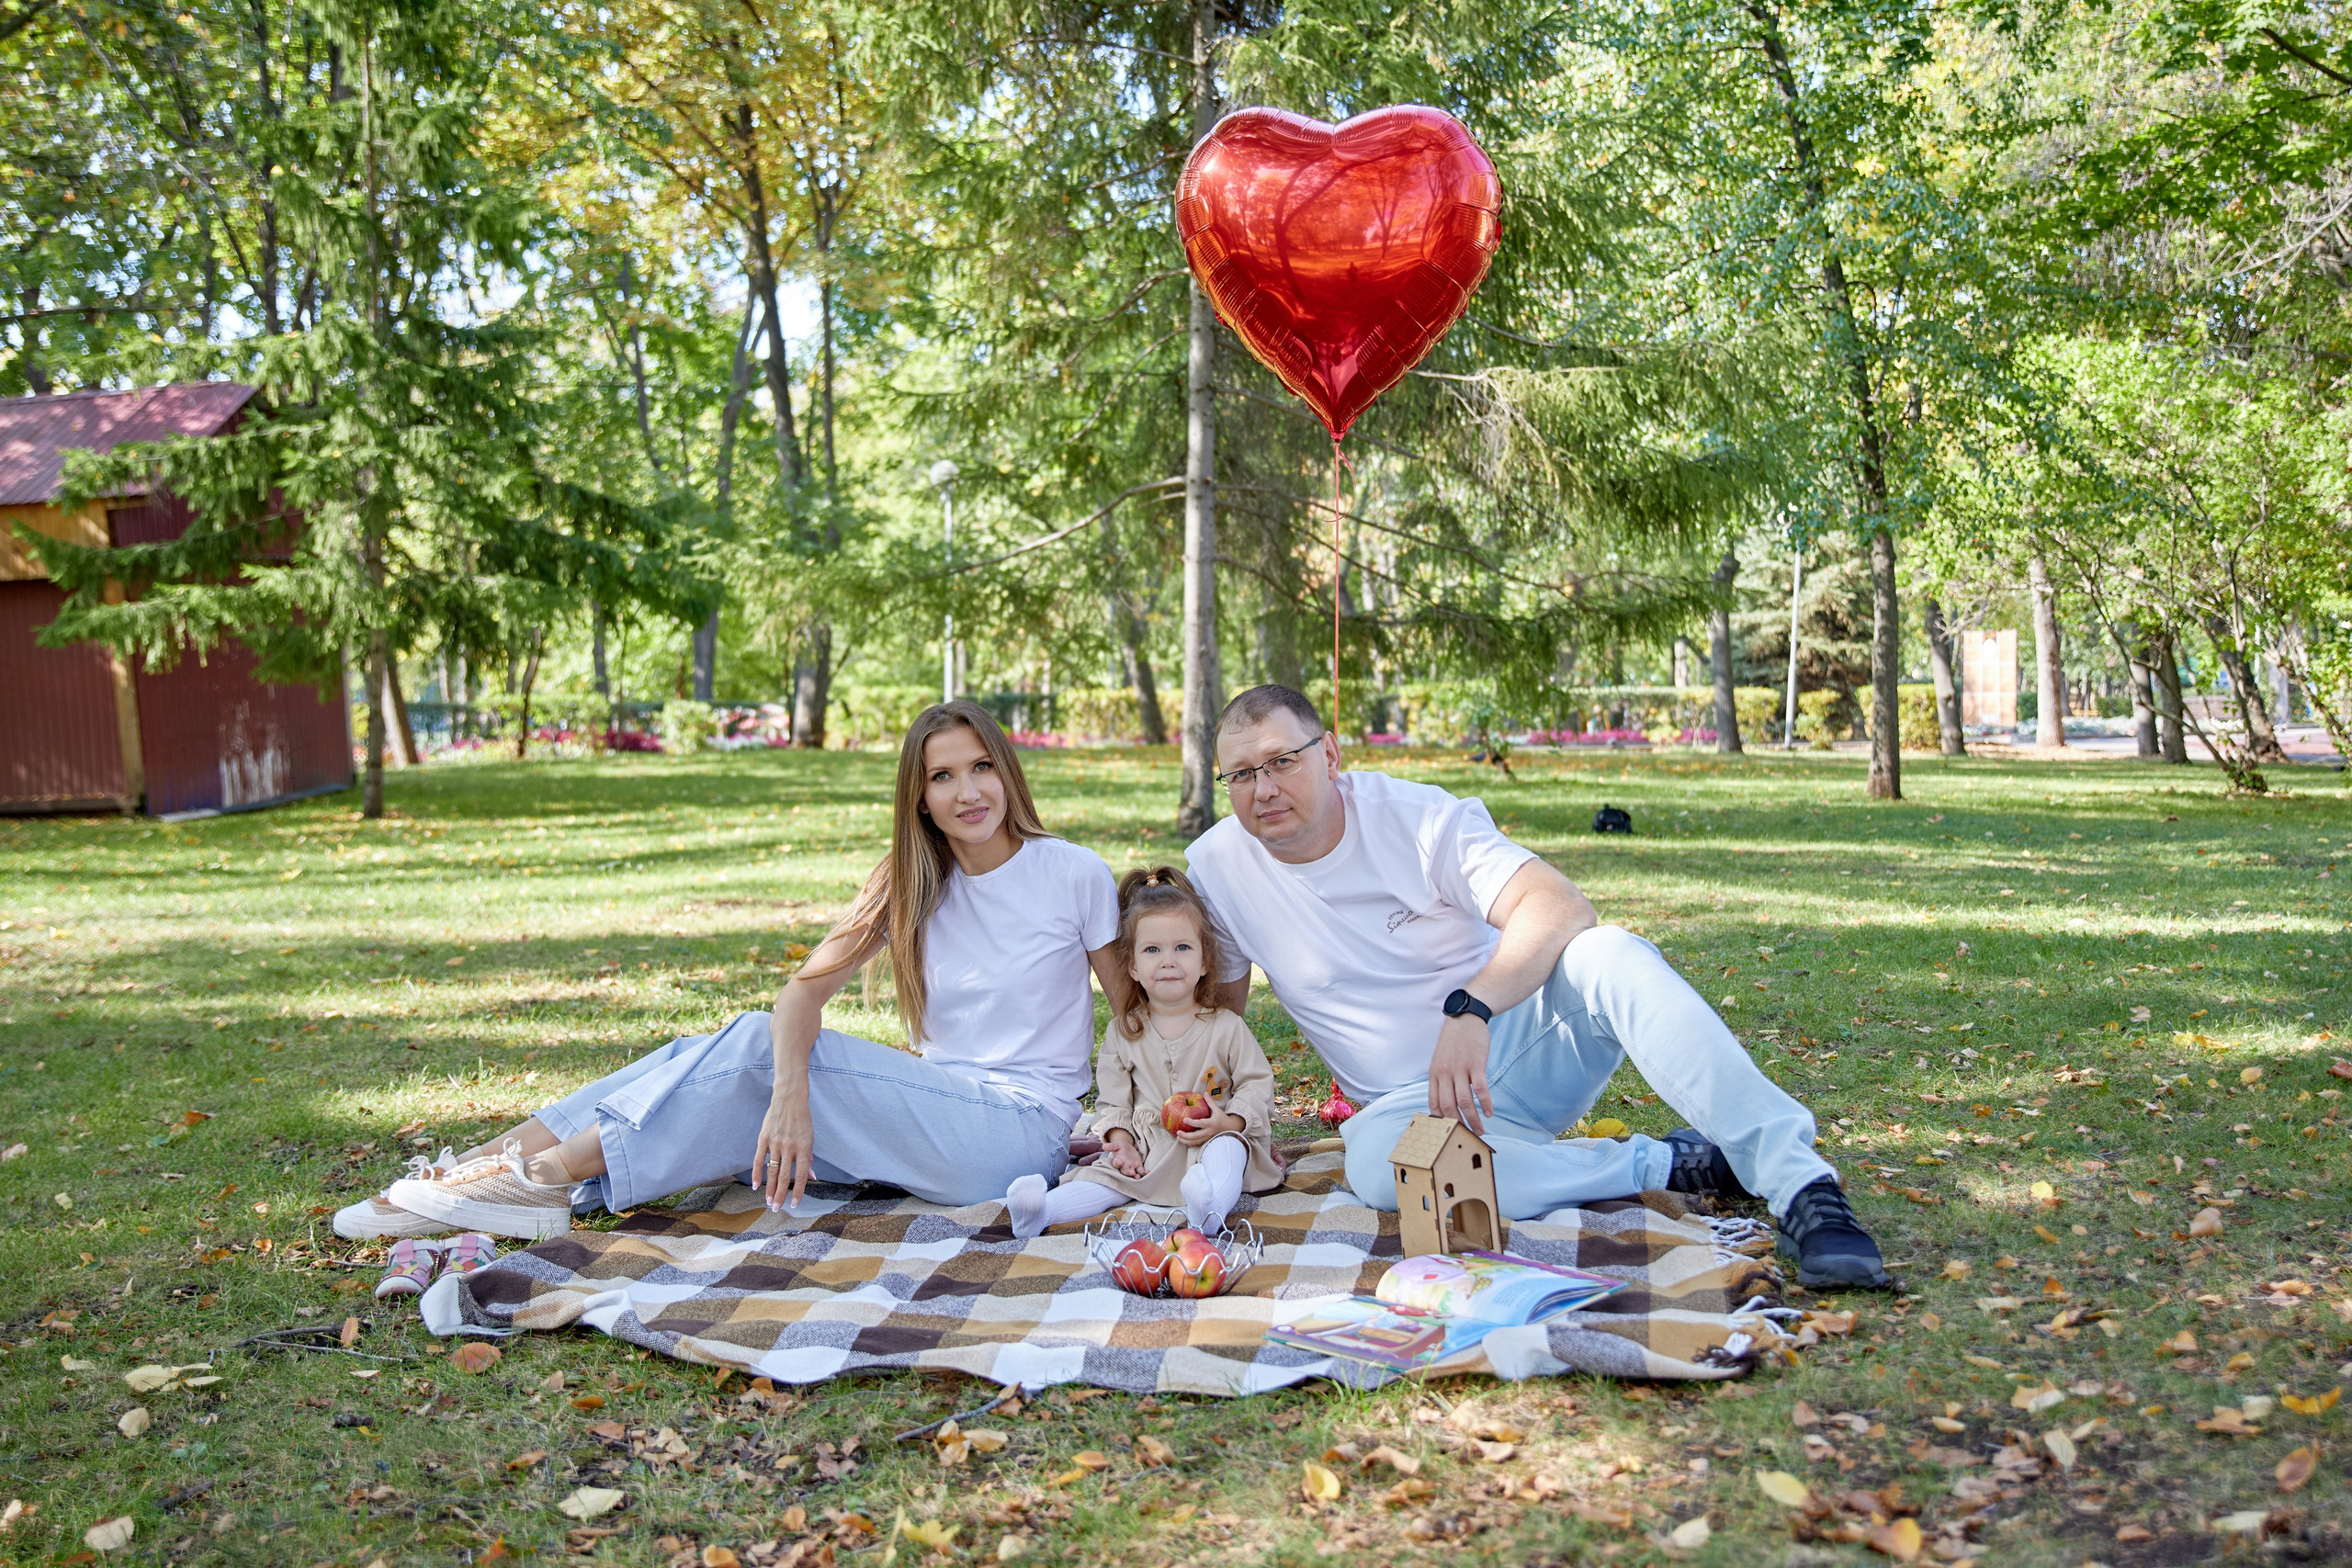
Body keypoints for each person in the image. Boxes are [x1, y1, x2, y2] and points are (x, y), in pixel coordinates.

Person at [1184, 683, 1891, 1289]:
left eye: (1283, 760)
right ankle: (1671, 1163)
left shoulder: (1421, 818)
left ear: (1330, 753)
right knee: (1376, 1170)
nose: (1264, 788)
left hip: (1513, 1045)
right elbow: (1222, 1017)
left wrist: (1472, 1008)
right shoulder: (1217, 866)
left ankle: (1803, 1184)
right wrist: (1204, 1115)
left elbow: (1559, 904)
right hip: (1408, 1112)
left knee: (1608, 951)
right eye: (1241, 774)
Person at [334, 701, 1121, 1241]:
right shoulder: (909, 878)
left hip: (1017, 1134)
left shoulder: (1072, 872)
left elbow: (1133, 1011)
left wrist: (1139, 1125)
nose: (967, 790)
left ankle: (539, 1178)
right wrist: (789, 1097)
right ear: (919, 797)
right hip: (937, 1117)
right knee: (698, 1057)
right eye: (942, 776)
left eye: (981, 766)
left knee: (746, 1049)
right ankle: (475, 1172)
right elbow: (803, 992)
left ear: (1007, 771)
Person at [1002, 867, 1283, 1240]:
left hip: (1208, 1137)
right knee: (1105, 1176)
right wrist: (1122, 1145)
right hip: (1147, 1147)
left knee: (1228, 1152)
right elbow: (1114, 1103)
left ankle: (1209, 1209)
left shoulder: (1226, 1026)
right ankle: (1039, 1211)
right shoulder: (1124, 1032)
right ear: (1132, 966)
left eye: (1182, 947)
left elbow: (1256, 1083)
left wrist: (1227, 1123)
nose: (1168, 961)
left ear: (1204, 962)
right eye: (1152, 950)